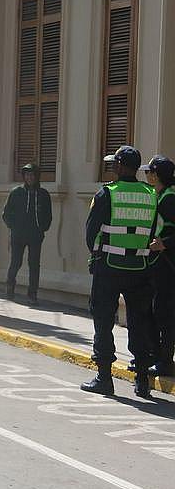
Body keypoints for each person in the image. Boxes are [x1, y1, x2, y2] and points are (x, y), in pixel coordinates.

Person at [82, 146, 156, 399]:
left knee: (103, 320)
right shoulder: (150, 194)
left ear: (121, 166)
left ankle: (104, 377)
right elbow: (152, 231)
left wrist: (96, 255)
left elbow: (90, 234)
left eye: (115, 164)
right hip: (141, 268)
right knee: (140, 323)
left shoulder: (107, 193)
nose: (112, 167)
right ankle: (142, 380)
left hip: (109, 267)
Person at [143, 156, 175, 377]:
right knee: (157, 312)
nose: (146, 176)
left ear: (156, 175)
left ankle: (165, 360)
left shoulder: (169, 199)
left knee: (165, 314)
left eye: (149, 172)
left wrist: (165, 244)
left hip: (168, 266)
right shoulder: (159, 196)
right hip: (158, 265)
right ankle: (157, 356)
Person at [3, 163, 53, 304]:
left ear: (37, 177)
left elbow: (48, 215)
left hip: (35, 235)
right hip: (18, 234)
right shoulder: (16, 192)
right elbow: (6, 213)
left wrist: (42, 228)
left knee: (34, 264)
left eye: (32, 175)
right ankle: (10, 288)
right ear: (24, 177)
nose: (30, 178)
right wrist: (13, 226)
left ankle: (32, 294)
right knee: (16, 262)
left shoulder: (43, 195)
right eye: (27, 175)